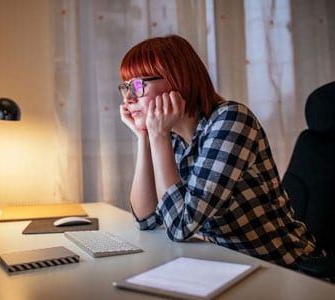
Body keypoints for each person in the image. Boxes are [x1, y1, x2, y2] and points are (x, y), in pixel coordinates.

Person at [118, 34, 323, 268]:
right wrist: (143, 136)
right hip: (225, 265)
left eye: (137, 85)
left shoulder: (231, 120)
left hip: (283, 268)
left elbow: (180, 227)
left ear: (175, 80)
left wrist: (157, 136)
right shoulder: (169, 137)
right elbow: (145, 220)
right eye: (125, 86)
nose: (128, 97)